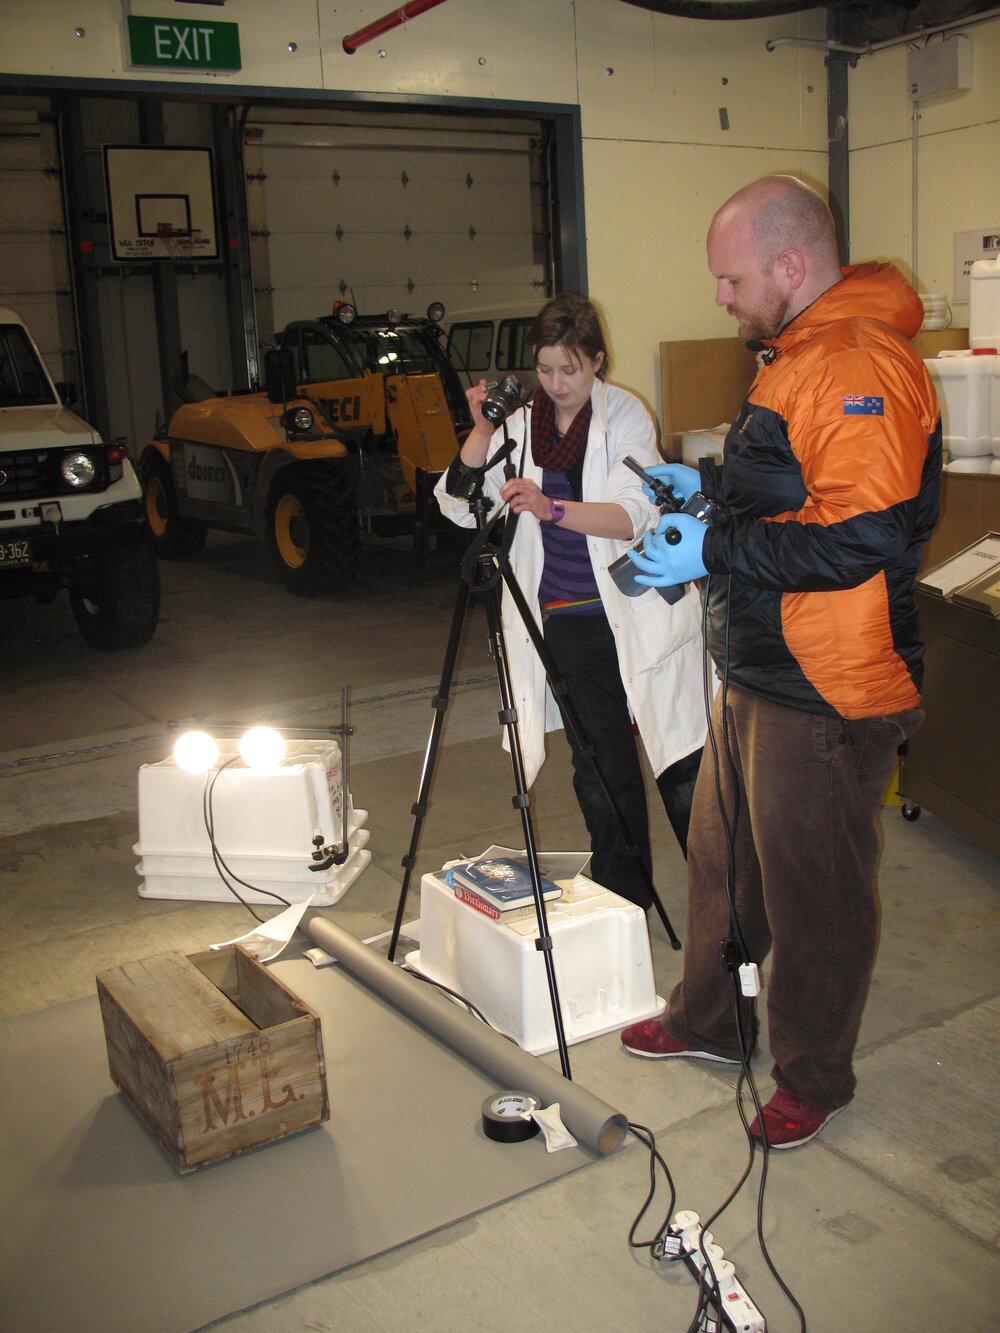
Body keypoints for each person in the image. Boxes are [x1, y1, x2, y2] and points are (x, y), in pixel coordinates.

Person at [619, 176, 942, 1148]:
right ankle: (711, 1019)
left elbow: (863, 538)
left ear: (790, 265)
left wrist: (712, 546)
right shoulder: (797, 353)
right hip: (761, 664)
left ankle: (813, 1075)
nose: (720, 295)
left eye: (731, 278)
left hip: (826, 684)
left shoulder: (859, 363)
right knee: (723, 863)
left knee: (814, 893)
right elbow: (792, 488)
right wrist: (708, 488)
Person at [434, 293, 706, 910]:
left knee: (683, 765)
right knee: (601, 770)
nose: (557, 384)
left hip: (635, 612)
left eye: (571, 369)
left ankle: (727, 906)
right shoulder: (520, 424)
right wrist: (482, 428)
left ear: (597, 361)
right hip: (566, 617)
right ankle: (622, 903)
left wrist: (551, 507)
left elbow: (632, 515)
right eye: (546, 369)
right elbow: (457, 505)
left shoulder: (624, 414)